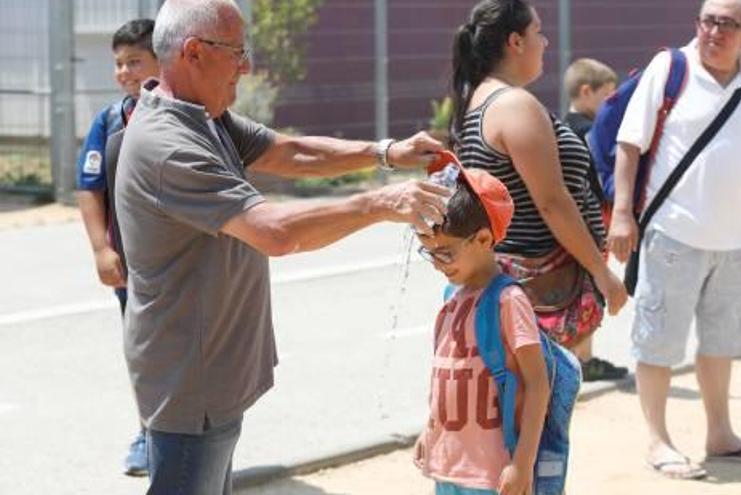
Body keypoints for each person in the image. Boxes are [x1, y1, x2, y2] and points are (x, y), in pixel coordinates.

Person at [114, 1, 450, 493]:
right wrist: (383, 202)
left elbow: (288, 151)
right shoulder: (168, 143)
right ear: (194, 53)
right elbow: (275, 231)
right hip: (190, 378)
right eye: (237, 51)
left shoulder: (204, 117)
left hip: (210, 371)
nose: (247, 66)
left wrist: (385, 153)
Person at [608, 0, 741, 479]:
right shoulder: (671, 69)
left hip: (732, 240)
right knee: (657, 340)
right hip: (671, 234)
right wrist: (622, 213)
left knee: (721, 341)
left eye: (727, 23)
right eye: (708, 20)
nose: (715, 31)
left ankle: (720, 434)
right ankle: (658, 439)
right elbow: (629, 143)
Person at [448, 0, 628, 382]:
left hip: (510, 289)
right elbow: (552, 202)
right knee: (537, 418)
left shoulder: (478, 98)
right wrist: (602, 273)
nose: (544, 43)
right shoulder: (514, 105)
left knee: (516, 417)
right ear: (515, 41)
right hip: (532, 297)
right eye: (538, 34)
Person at [412, 163, 550, 495]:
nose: (437, 264)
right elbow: (446, 378)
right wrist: (429, 432)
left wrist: (522, 463)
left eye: (444, 252)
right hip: (450, 466)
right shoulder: (452, 296)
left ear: (484, 238)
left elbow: (537, 385)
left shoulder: (508, 300)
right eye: (428, 253)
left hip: (493, 472)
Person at [74, 18, 159, 477]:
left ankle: (197, 440)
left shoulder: (192, 114)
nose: (124, 71)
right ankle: (148, 433)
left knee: (194, 352)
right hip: (133, 267)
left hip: (184, 264)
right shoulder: (109, 120)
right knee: (142, 352)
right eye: (119, 63)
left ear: (162, 63)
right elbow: (90, 188)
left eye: (135, 61)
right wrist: (100, 250)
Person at [562, 58, 629, 382]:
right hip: (592, 219)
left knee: (576, 286)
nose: (611, 105)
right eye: (608, 96)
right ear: (586, 92)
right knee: (588, 287)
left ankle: (578, 356)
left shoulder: (560, 126)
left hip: (571, 220)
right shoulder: (592, 133)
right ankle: (580, 359)